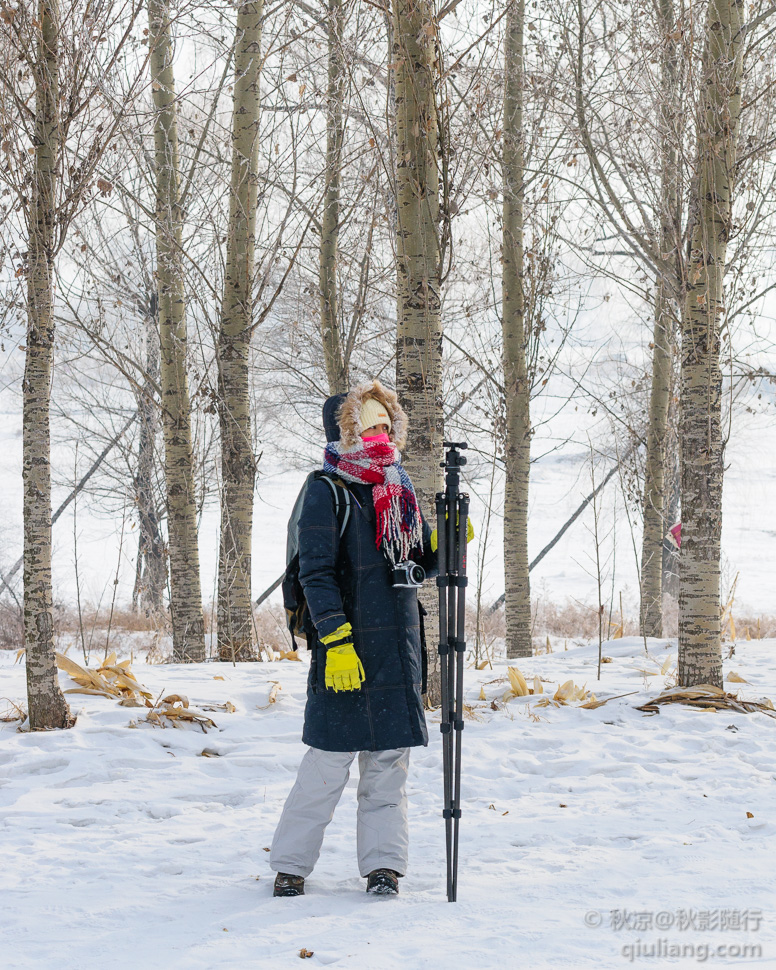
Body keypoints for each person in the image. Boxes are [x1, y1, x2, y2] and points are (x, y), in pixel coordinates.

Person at [270, 380, 438, 897]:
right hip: (347, 650)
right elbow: (315, 572)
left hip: (397, 650)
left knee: (388, 769)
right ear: (346, 433)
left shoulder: (399, 488)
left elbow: (419, 565)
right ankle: (292, 866)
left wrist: (444, 541)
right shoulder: (326, 490)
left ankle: (383, 867)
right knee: (325, 765)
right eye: (370, 425)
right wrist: (335, 640)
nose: (381, 433)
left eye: (387, 424)